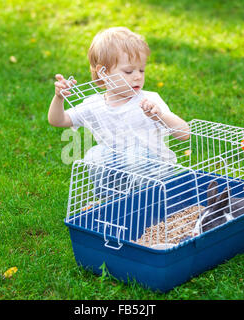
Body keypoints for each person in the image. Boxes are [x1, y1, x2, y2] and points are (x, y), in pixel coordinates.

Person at [48, 27, 190, 197]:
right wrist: (59, 98)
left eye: (142, 70)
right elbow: (58, 120)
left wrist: (160, 115)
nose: (137, 76)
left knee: (134, 154)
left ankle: (151, 200)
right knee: (95, 155)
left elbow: (184, 134)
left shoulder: (149, 100)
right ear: (104, 72)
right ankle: (113, 201)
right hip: (120, 173)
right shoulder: (93, 105)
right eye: (129, 71)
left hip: (155, 174)